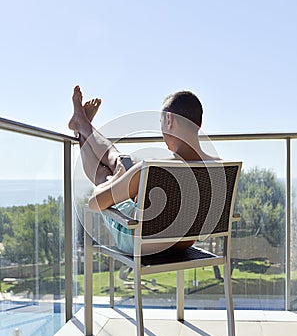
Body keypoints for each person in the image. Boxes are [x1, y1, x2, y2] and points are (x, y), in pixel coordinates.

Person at [69, 85, 218, 255]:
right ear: (199, 123)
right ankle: (83, 126)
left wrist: (116, 179)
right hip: (183, 243)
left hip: (141, 244)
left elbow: (94, 203)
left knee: (105, 176)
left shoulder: (153, 168)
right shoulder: (219, 166)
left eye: (161, 123)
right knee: (122, 163)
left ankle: (82, 128)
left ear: (169, 120)